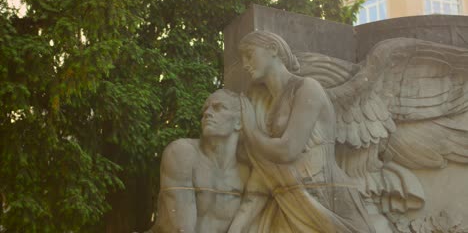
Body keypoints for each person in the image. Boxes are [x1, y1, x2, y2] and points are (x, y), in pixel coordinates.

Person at [228, 31, 375, 233]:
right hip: (293, 195)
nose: (245, 64)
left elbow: (288, 150)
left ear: (273, 49)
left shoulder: (307, 88)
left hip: (327, 195)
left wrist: (251, 131)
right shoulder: (270, 107)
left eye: (249, 54)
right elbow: (267, 169)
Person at [149, 89, 249, 233]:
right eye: (205, 110)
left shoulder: (246, 173)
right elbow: (181, 228)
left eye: (218, 107)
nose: (207, 113)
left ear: (239, 122)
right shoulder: (182, 153)